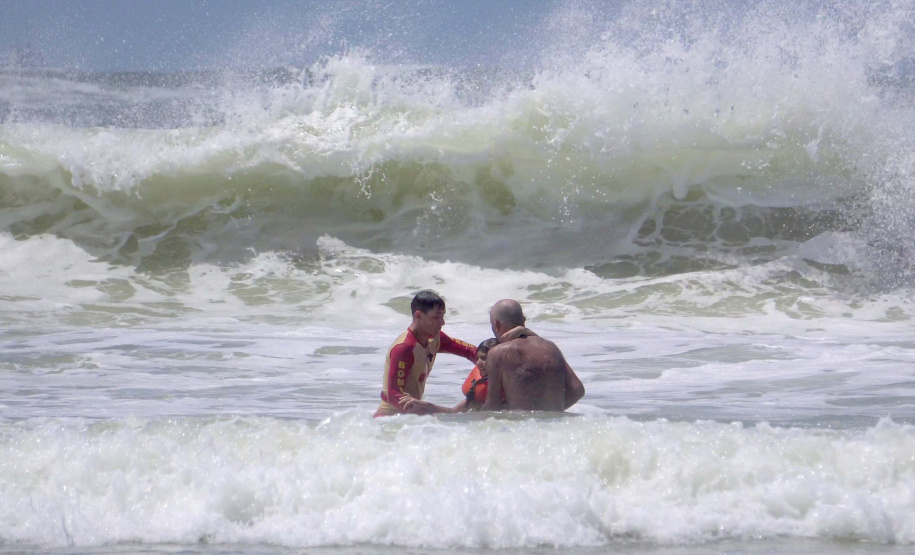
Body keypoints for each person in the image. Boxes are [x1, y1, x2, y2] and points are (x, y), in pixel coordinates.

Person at [374, 290, 478, 417]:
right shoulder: (404, 348)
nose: (442, 322)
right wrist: (448, 412)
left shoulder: (434, 339)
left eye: (443, 317)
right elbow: (394, 396)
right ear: (418, 316)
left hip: (412, 417)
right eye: (436, 317)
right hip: (391, 418)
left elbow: (470, 351)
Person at [481, 299, 585, 412]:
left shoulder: (498, 353)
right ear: (524, 320)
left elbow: (492, 407)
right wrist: (552, 413)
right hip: (556, 425)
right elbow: (577, 390)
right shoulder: (551, 348)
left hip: (523, 427)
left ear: (497, 325)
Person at [454, 338, 499, 412]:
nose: (478, 362)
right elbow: (455, 411)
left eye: (484, 358)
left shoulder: (506, 384)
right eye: (477, 358)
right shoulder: (479, 379)